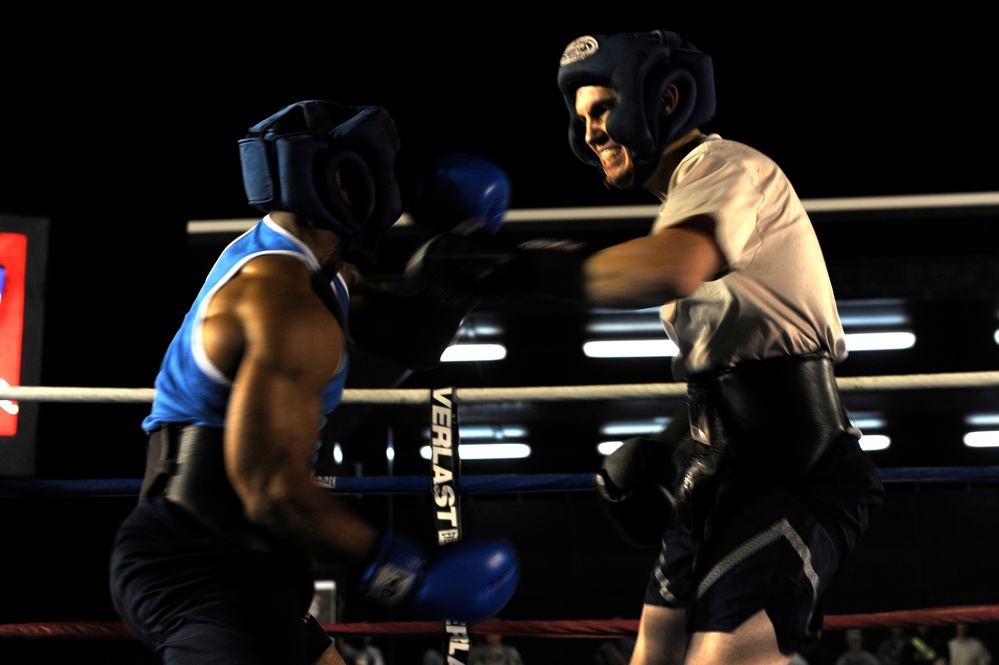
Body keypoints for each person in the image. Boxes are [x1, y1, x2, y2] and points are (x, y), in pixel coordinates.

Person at [408, 29, 887, 665]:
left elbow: (673, 265)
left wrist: (509, 271)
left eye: (602, 109)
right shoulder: (681, 202)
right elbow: (724, 363)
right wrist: (672, 446)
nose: (590, 134)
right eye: (580, 119)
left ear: (663, 100)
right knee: (651, 655)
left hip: (796, 472)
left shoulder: (728, 168)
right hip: (720, 468)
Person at [108, 100, 519, 665]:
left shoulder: (314, 272)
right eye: (383, 170)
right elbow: (270, 489)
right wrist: (406, 570)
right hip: (206, 565)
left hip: (242, 554)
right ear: (347, 180)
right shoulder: (284, 299)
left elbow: (411, 341)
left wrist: (461, 254)